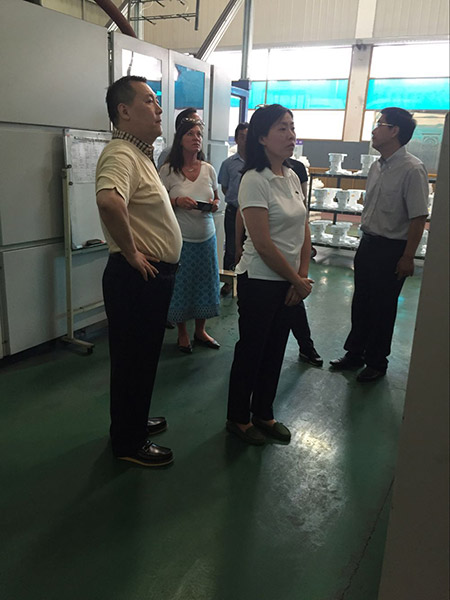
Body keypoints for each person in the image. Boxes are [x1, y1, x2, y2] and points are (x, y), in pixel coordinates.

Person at [96, 75, 182, 467]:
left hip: (148, 278)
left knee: (142, 358)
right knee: (134, 360)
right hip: (136, 278)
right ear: (124, 111)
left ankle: (132, 422)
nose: (159, 109)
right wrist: (131, 253)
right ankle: (129, 443)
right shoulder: (121, 154)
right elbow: (109, 201)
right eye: (149, 101)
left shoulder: (138, 154)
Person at [227, 104, 314, 445]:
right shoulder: (254, 180)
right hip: (260, 281)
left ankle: (263, 412)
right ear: (262, 138)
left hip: (289, 282)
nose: (291, 134)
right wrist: (296, 280)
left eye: (292, 127)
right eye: (282, 128)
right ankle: (238, 418)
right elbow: (262, 243)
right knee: (252, 350)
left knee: (276, 349)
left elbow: (303, 227)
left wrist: (301, 277)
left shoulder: (291, 175)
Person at [330, 107, 428, 382]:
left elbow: (418, 217)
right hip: (368, 244)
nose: (374, 130)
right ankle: (355, 353)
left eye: (379, 124)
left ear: (394, 131)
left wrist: (408, 256)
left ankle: (376, 362)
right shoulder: (376, 166)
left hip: (392, 250)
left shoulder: (413, 169)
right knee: (361, 302)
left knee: (383, 307)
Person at [159, 119, 221, 353]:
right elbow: (158, 202)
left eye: (199, 135)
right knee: (182, 286)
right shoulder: (167, 171)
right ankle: (183, 333)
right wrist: (177, 201)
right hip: (181, 239)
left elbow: (216, 196)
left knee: (205, 283)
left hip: (207, 236)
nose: (196, 138)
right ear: (180, 140)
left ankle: (200, 331)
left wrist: (215, 204)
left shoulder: (208, 169)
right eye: (190, 134)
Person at [286, 157, 323, 367]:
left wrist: (301, 274)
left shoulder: (295, 171)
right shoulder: (254, 175)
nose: (290, 140)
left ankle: (306, 346)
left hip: (292, 250)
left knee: (295, 302)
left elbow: (302, 215)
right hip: (264, 261)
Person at [218, 122, 248, 295]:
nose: (245, 141)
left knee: (249, 246)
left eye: (248, 137)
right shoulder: (228, 164)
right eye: (242, 137)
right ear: (236, 139)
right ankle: (228, 282)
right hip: (233, 211)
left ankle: (246, 280)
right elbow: (224, 187)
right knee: (231, 247)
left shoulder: (258, 164)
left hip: (252, 213)